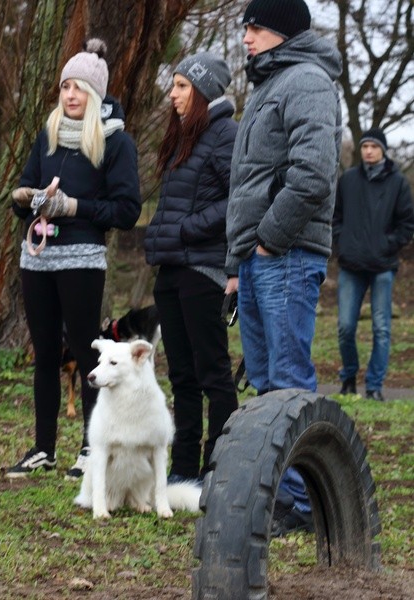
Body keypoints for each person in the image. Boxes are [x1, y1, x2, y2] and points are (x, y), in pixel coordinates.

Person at [225, 0, 342, 535]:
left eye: (256, 27)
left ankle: (299, 502)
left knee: (288, 382)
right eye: (246, 26)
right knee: (266, 382)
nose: (246, 36)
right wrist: (237, 263)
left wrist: (270, 241)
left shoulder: (308, 81)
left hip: (288, 254)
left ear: (284, 32)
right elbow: (247, 185)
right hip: (257, 257)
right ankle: (278, 495)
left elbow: (313, 175)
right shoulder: (268, 86)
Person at [7, 39, 141, 480]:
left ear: (95, 93)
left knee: (88, 355)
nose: (70, 95)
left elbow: (126, 210)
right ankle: (43, 448)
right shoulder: (46, 135)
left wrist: (75, 207)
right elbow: (25, 189)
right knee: (46, 354)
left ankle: (90, 447)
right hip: (38, 257)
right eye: (65, 86)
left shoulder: (116, 143)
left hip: (82, 257)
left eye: (79, 87)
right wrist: (25, 198)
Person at [144, 52, 238, 483]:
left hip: (203, 269)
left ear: (202, 90)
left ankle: (218, 469)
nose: (173, 94)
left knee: (213, 375)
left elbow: (239, 198)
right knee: (182, 375)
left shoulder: (224, 135)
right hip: (171, 270)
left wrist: (188, 229)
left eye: (181, 86)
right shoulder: (186, 135)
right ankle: (183, 472)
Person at [333, 128, 414, 401]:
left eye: (373, 146)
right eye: (365, 145)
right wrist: (342, 241)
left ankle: (374, 386)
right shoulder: (348, 180)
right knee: (345, 326)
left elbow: (407, 225)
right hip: (351, 264)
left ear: (383, 150)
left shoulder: (398, 182)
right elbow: (335, 216)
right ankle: (348, 379)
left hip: (382, 266)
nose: (368, 150)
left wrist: (386, 244)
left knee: (381, 328)